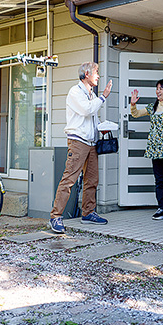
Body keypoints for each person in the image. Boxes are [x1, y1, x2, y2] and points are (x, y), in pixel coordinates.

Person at [50, 61, 112, 233]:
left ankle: (88, 212)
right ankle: (55, 216)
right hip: (78, 142)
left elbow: (91, 117)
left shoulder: (91, 94)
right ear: (86, 74)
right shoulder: (75, 92)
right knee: (69, 180)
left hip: (91, 143)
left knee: (92, 180)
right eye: (96, 72)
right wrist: (104, 96)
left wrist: (101, 127)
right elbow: (86, 110)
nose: (98, 76)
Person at [130, 78, 163, 222]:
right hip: (155, 150)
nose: (158, 91)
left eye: (161, 88)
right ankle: (162, 208)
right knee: (158, 181)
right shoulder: (152, 107)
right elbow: (135, 114)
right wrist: (133, 104)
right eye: (157, 88)